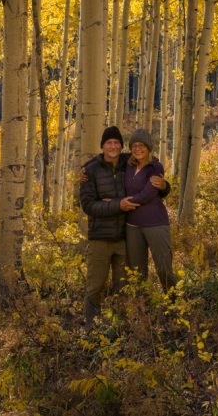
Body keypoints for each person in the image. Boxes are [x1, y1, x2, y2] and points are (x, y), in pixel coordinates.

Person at [79, 126, 169, 325]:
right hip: (100, 237)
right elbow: (87, 205)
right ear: (102, 146)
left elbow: (149, 161)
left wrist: (165, 186)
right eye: (109, 143)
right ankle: (90, 327)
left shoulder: (125, 164)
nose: (113, 146)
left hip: (122, 237)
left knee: (124, 285)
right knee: (95, 286)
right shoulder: (90, 170)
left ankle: (122, 325)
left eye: (116, 143)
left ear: (121, 147)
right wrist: (117, 204)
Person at [124, 129, 176, 291]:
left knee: (164, 269)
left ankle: (175, 304)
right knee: (137, 272)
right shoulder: (128, 164)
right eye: (134, 145)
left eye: (142, 145)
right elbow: (104, 157)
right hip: (132, 226)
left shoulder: (155, 166)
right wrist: (85, 169)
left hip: (155, 224)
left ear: (149, 148)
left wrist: (123, 203)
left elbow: (148, 194)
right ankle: (142, 309)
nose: (138, 149)